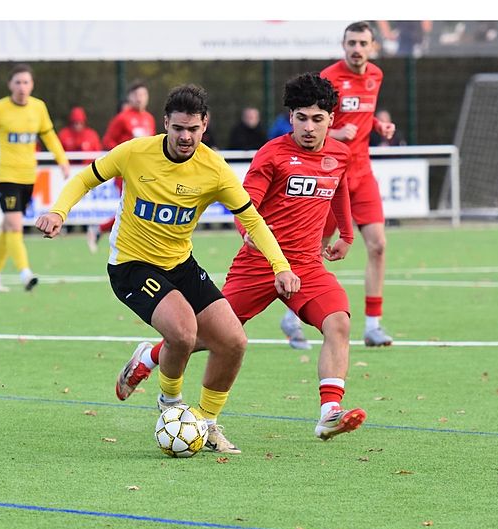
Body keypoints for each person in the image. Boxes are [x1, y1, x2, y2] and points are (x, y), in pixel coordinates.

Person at [36, 84, 300, 454]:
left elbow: (252, 219)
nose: (185, 136)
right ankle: (170, 407)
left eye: (193, 129)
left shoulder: (214, 169)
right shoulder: (135, 153)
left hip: (181, 263)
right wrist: (58, 211)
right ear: (165, 124)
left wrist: (280, 267)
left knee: (234, 342)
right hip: (131, 264)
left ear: (204, 125)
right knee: (183, 333)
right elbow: (85, 178)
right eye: (178, 128)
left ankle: (205, 422)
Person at [116, 73, 367, 441]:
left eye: (317, 118)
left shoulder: (339, 155)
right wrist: (247, 234)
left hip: (307, 267)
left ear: (331, 119)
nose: (309, 127)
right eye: (301, 117)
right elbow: (244, 204)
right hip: (258, 266)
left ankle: (329, 411)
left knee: (339, 323)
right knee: (210, 338)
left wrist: (346, 234)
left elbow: (341, 188)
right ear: (291, 117)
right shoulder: (273, 154)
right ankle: (151, 356)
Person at [282, 21, 398, 349]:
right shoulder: (329, 78)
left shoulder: (375, 75)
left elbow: (364, 114)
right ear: (343, 45)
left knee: (378, 245)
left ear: (372, 46)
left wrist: (379, 126)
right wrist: (334, 134)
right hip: (332, 174)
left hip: (363, 173)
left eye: (363, 43)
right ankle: (293, 314)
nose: (357, 49)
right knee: (314, 249)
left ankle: (373, 325)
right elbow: (310, 122)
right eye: (351, 43)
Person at [0, 63, 71, 293]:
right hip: (5, 175)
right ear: (10, 85)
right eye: (17, 82)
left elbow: (49, 136)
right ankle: (25, 273)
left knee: (8, 226)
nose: (22, 87)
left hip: (29, 175)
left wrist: (62, 160)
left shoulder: (38, 108)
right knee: (15, 224)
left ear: (32, 85)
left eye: (26, 82)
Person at [87, 80, 156, 253]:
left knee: (139, 207)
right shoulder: (122, 118)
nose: (140, 99)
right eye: (136, 95)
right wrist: (123, 155)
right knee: (132, 207)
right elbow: (108, 140)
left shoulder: (149, 118)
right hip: (125, 171)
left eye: (143, 95)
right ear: (130, 97)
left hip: (145, 171)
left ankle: (100, 230)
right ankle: (125, 241)